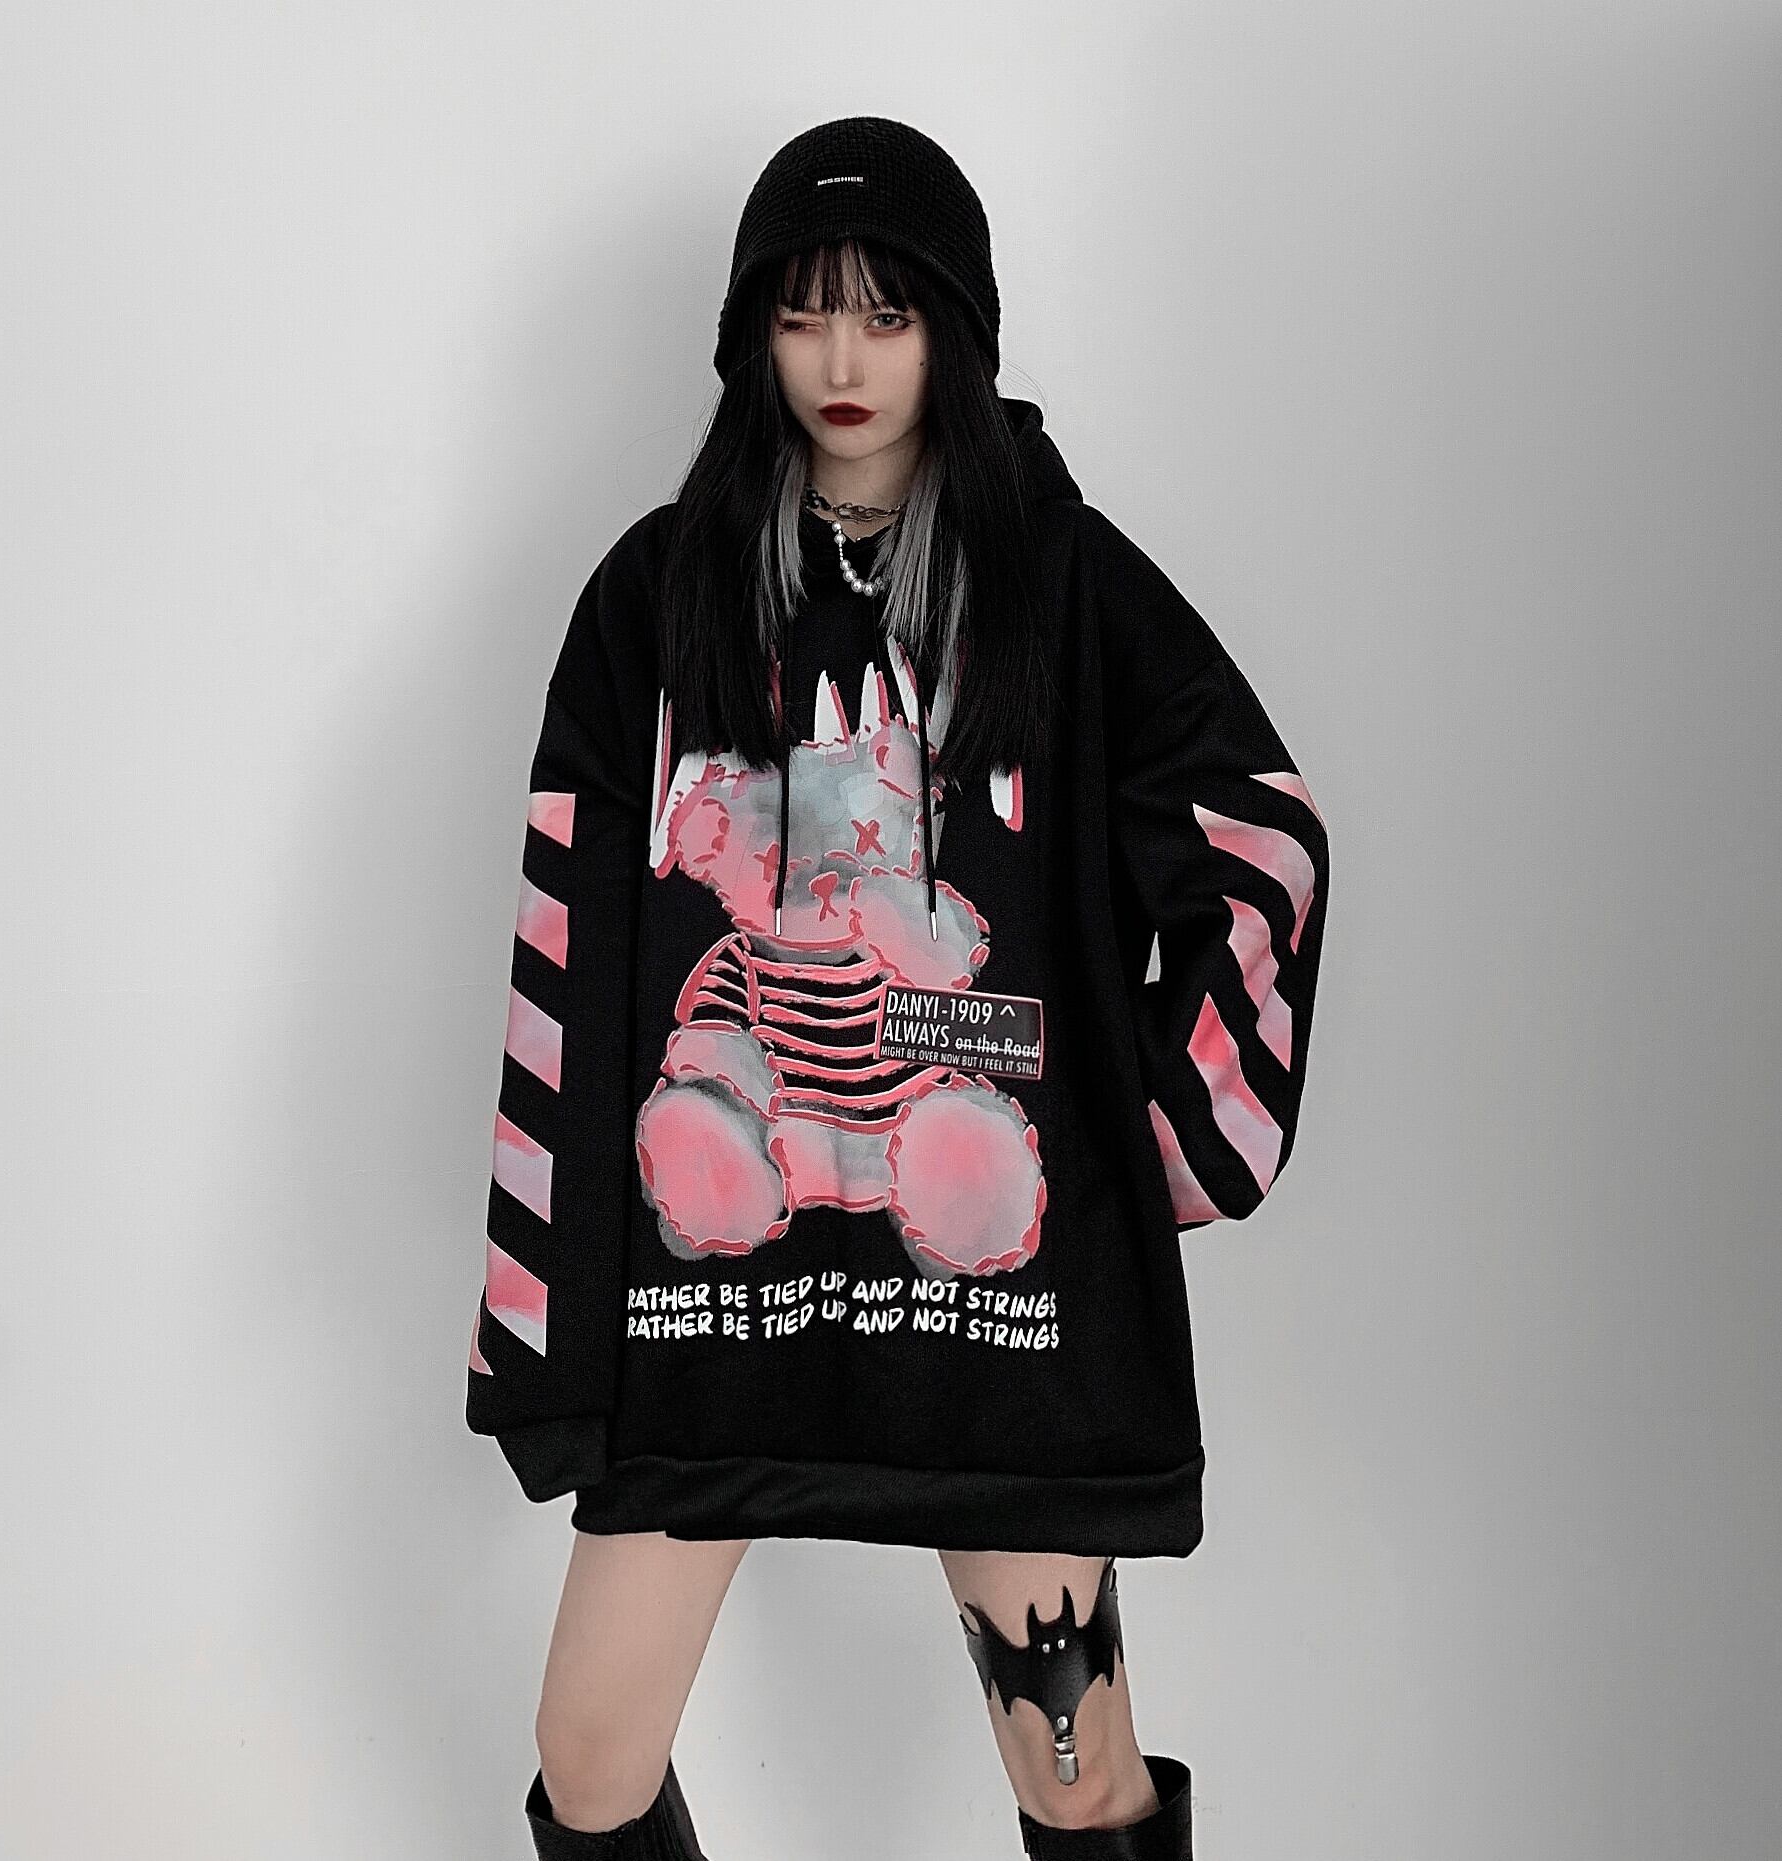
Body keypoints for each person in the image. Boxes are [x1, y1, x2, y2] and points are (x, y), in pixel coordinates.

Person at [466, 116, 1333, 1860]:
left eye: (886, 313)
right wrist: (543, 1331)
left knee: (1076, 1772)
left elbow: (1260, 836)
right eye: (800, 316)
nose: (842, 362)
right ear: (750, 336)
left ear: (956, 325)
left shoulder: (1059, 584)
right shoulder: (657, 595)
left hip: (991, 1337)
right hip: (706, 1329)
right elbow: (569, 941)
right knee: (588, 1752)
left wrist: (1154, 1136)